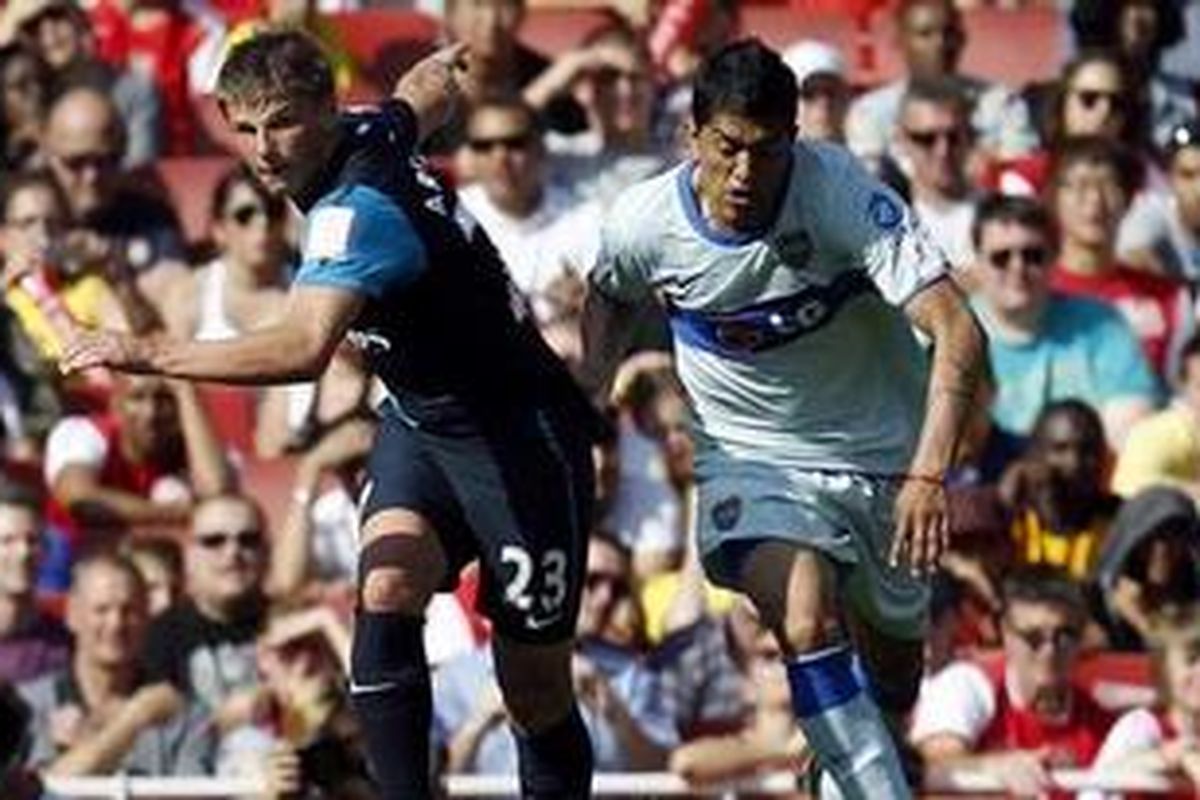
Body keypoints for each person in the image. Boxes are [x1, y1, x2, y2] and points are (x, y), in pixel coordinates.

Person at [63, 30, 605, 799]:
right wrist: (445, 70)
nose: (263, 148)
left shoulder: (360, 209)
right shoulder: (362, 129)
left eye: (281, 121)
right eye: (244, 126)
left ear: (323, 107)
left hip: (521, 439)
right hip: (422, 423)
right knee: (383, 589)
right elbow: (413, 103)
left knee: (535, 688)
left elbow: (302, 346)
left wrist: (144, 351)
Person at [582, 39, 986, 798]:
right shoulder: (643, 223)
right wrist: (592, 404)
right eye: (727, 148)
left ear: (793, 143)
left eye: (765, 153)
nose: (743, 174)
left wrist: (930, 472)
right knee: (804, 617)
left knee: (893, 675)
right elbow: (608, 294)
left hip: (884, 462)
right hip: (749, 460)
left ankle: (836, 762)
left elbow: (958, 328)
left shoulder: (838, 195)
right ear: (691, 136)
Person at [968, 193, 1159, 447]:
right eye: (1001, 257)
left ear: (1055, 258)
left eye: (1033, 255)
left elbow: (1132, 433)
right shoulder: (952, 329)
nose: (1018, 268)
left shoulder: (1101, 324)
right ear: (977, 262)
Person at [911, 568, 1116, 797]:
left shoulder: (1100, 723)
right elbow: (929, 771)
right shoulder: (968, 684)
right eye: (1033, 637)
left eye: (1065, 635)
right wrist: (995, 768)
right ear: (1006, 633)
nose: (1049, 651)